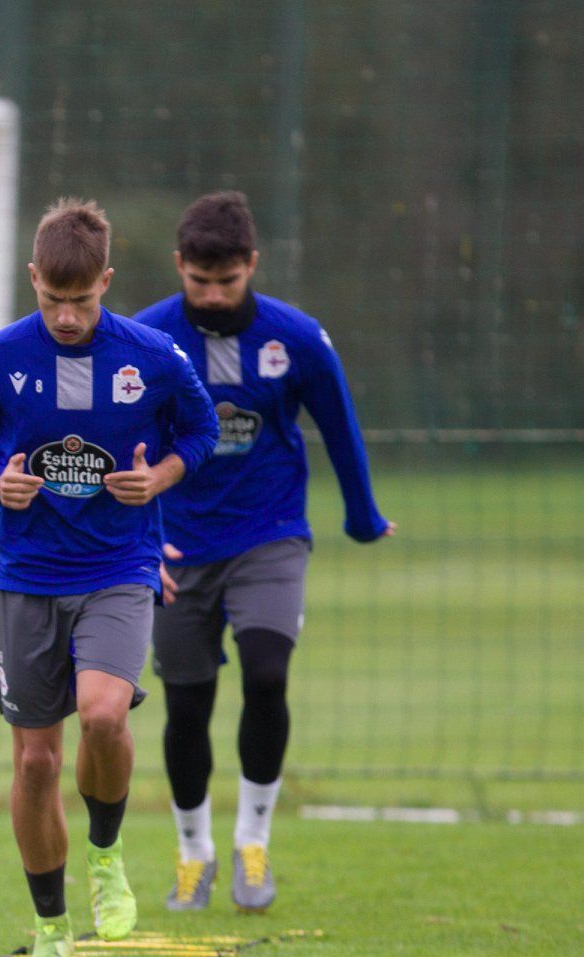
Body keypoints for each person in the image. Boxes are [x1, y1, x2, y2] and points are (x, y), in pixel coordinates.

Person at [0, 198, 218, 957]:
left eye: (82, 299)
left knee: (104, 716)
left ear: (106, 281)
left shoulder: (155, 355)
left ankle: (105, 853)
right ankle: (51, 924)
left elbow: (198, 433)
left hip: (119, 569)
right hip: (28, 574)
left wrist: (160, 475)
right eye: (51, 299)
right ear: (32, 279)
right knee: (34, 764)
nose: (66, 316)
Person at [136, 192, 392, 913]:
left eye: (228, 282)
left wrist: (363, 516)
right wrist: (139, 539)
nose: (214, 297)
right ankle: (195, 854)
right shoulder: (149, 338)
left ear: (252, 265)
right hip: (177, 546)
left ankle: (253, 842)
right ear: (179, 265)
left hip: (270, 534)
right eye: (199, 282)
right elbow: (125, 441)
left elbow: (339, 427)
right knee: (187, 706)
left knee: (268, 672)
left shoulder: (297, 338)